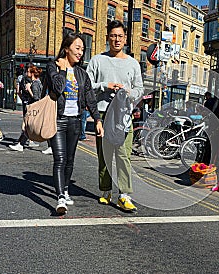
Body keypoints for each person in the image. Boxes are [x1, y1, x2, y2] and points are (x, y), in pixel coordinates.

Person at [87, 20, 143, 212]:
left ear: (125, 39)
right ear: (107, 38)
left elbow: (140, 89)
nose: (116, 39)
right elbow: (87, 86)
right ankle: (106, 190)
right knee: (104, 155)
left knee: (123, 155)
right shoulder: (97, 60)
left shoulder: (133, 63)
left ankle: (124, 194)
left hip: (123, 115)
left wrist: (129, 92)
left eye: (120, 36)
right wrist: (105, 85)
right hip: (103, 113)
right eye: (113, 35)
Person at [46, 32, 104, 214]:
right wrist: (62, 69)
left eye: (82, 49)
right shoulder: (53, 67)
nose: (80, 53)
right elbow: (57, 87)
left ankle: (65, 189)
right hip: (57, 119)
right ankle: (60, 197)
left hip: (75, 121)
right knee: (60, 159)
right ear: (66, 48)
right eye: (77, 48)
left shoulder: (82, 73)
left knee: (70, 160)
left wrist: (97, 119)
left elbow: (90, 98)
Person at [10, 64, 43, 151]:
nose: (26, 73)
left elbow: (36, 98)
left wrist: (29, 89)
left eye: (28, 71)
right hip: (32, 107)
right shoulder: (34, 82)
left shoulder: (35, 83)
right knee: (28, 127)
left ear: (32, 73)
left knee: (32, 127)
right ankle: (20, 144)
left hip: (33, 108)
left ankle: (51, 146)